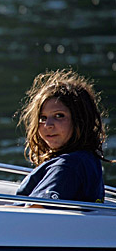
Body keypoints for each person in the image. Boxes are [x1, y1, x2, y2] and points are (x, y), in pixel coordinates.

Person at [15, 69, 112, 203]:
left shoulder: (66, 167)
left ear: (80, 120)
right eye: (42, 118)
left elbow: (35, 211)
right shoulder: (86, 158)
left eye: (59, 116)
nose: (48, 125)